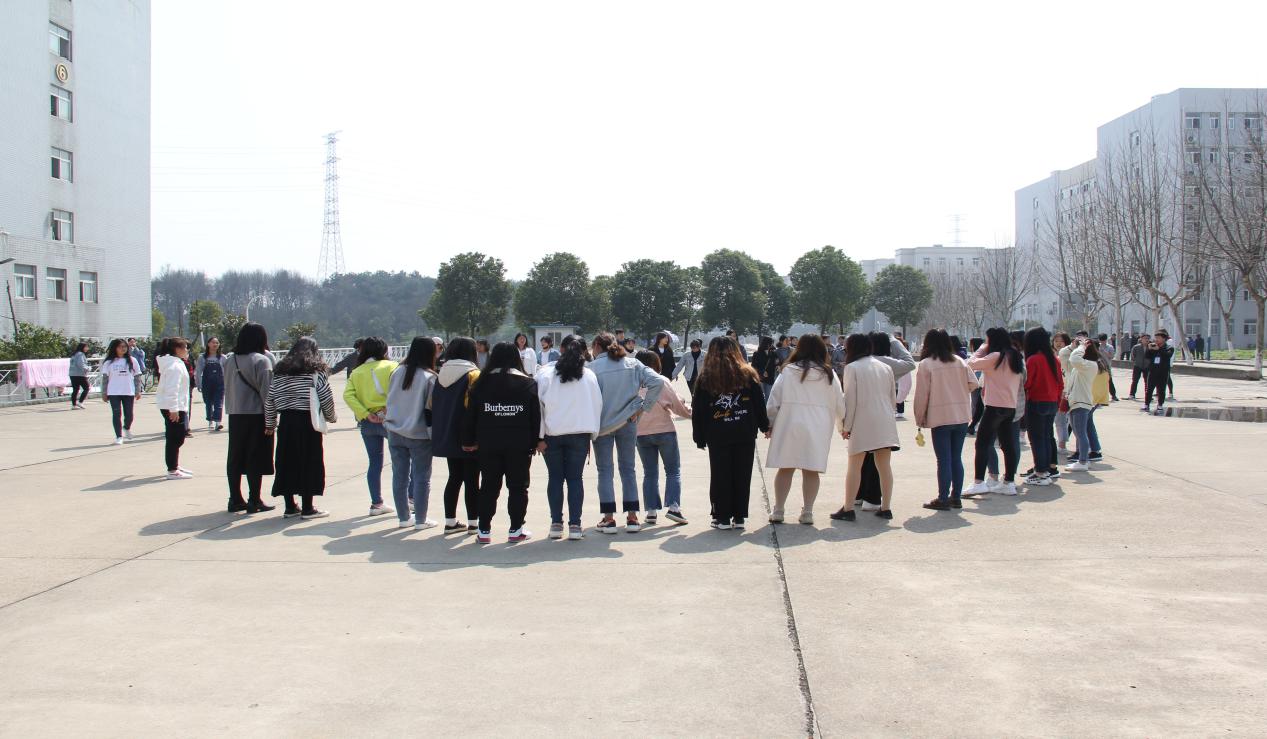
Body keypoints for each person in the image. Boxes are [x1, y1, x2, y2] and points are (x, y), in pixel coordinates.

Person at [461, 342, 541, 544]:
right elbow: (535, 417)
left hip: (488, 444)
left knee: (488, 486)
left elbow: (470, 417)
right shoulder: (528, 383)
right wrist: (535, 442)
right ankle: (516, 529)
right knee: (518, 487)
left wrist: (468, 440)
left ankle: (484, 531)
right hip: (519, 444)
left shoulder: (480, 383)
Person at [765, 334, 846, 524]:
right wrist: (843, 426)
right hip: (818, 426)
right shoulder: (828, 374)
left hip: (789, 423)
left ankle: (778, 510)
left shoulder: (788, 371)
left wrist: (769, 423)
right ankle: (808, 512)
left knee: (785, 468)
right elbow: (839, 404)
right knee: (811, 470)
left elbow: (773, 401)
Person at [589, 332, 665, 533]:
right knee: (628, 469)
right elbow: (658, 382)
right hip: (628, 421)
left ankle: (608, 518)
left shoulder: (592, 368)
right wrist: (643, 407)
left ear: (597, 346)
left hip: (603, 425)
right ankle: (632, 517)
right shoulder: (633, 363)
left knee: (605, 471)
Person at [692, 336, 769, 530]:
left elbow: (698, 410)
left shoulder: (706, 377)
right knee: (742, 473)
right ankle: (739, 516)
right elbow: (759, 404)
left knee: (720, 474)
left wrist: (699, 436)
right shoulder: (748, 374)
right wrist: (764, 425)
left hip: (717, 434)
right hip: (744, 431)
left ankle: (722, 517)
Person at [536, 335, 603, 540]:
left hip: (551, 435)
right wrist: (593, 432)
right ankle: (575, 525)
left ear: (561, 349)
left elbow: (538, 408)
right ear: (583, 351)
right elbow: (597, 404)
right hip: (580, 435)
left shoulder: (545, 373)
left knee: (555, 478)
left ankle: (556, 524)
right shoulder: (588, 375)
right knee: (575, 479)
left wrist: (539, 437)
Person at [264, 337, 336, 518]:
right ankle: (308, 508)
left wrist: (270, 423)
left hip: (286, 422)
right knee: (309, 462)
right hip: (307, 422)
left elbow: (270, 399)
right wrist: (331, 416)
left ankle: (290, 507)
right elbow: (325, 396)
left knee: (286, 463)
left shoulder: (280, 371)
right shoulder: (316, 371)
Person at [829, 333, 899, 520]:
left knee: (854, 465)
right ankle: (886, 508)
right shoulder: (885, 367)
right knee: (884, 466)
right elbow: (893, 398)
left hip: (863, 420)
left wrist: (846, 427)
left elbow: (850, 401)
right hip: (885, 419)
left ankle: (848, 508)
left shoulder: (852, 368)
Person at [914, 329, 979, 510]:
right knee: (956, 458)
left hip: (940, 417)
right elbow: (974, 383)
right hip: (961, 416)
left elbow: (921, 395)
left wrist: (920, 417)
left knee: (943, 460)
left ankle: (943, 498)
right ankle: (955, 497)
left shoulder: (927, 364)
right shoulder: (959, 361)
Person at [384, 337, 439, 530]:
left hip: (394, 430)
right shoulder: (429, 377)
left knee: (399, 476)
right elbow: (432, 410)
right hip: (419, 433)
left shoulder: (397, 371)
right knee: (421, 477)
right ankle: (421, 520)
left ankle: (403, 518)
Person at [633, 350, 692, 526]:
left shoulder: (632, 383)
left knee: (650, 472)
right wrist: (692, 414)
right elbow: (677, 405)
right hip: (665, 431)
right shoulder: (661, 381)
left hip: (640, 433)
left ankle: (651, 511)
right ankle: (673, 507)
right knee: (673, 471)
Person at [963, 328, 1024, 497]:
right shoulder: (1014, 356)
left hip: (994, 406)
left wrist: (982, 348)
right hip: (1010, 407)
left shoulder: (996, 356)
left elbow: (970, 363)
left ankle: (978, 482)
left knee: (982, 443)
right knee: (1008, 445)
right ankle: (1008, 482)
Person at [225, 322, 277, 513]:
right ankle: (254, 499)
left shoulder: (229, 359)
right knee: (255, 457)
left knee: (235, 457)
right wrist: (271, 420)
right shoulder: (261, 361)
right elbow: (268, 394)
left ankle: (235, 499)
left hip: (235, 414)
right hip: (256, 415)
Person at [431, 337, 482, 534]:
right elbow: (475, 409)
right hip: (469, 437)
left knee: (454, 477)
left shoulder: (439, 375)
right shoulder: (473, 375)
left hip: (447, 435)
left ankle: (450, 522)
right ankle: (474, 523)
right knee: (472, 480)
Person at [344, 336, 399, 516]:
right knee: (401, 461)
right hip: (390, 419)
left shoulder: (357, 372)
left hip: (368, 421)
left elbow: (348, 396)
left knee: (374, 463)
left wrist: (365, 413)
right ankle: (408, 500)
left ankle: (376, 503)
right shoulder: (392, 367)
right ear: (384, 350)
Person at [1022, 328, 1063, 486]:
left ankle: (1041, 472)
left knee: (1036, 439)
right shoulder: (1054, 359)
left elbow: (1027, 383)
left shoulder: (1033, 360)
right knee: (1046, 436)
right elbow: (1060, 383)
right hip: (1052, 402)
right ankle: (1045, 469)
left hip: (1037, 402)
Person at [1065, 337, 1107, 471]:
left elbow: (1074, 359)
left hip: (1081, 403)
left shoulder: (1090, 365)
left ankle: (1083, 461)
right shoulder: (1084, 365)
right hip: (1076, 401)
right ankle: (1083, 460)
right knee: (1078, 433)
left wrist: (1082, 346)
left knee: (1081, 433)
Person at [155, 337, 192, 480]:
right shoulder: (174, 366)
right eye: (185, 347)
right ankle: (172, 469)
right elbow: (172, 389)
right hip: (172, 407)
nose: (187, 350)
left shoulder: (176, 363)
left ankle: (174, 465)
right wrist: (174, 409)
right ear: (177, 349)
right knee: (176, 438)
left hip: (175, 405)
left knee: (176, 436)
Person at [101, 339, 143, 444]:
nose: (123, 348)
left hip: (128, 391)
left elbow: (137, 376)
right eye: (120, 347)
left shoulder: (132, 360)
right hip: (113, 392)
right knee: (116, 414)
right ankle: (119, 436)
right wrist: (104, 393)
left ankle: (126, 427)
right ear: (114, 348)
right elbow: (105, 378)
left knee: (129, 415)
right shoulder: (108, 362)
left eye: (124, 346)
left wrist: (138, 390)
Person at [196, 337, 227, 431]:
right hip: (207, 383)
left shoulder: (223, 357)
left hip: (220, 383)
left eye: (217, 343)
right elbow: (198, 371)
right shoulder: (202, 357)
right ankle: (210, 420)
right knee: (208, 403)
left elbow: (226, 372)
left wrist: (227, 384)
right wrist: (199, 384)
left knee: (219, 402)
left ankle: (218, 422)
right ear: (208, 344)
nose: (215, 344)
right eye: (213, 342)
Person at [1142, 329, 1174, 416]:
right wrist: (1149, 349)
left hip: (1163, 372)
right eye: (1156, 337)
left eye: (1158, 338)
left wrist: (1158, 349)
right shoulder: (1153, 346)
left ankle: (1160, 405)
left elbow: (1167, 356)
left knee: (1161, 390)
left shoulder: (1169, 348)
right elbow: (1147, 356)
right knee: (1149, 389)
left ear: (1164, 339)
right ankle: (1146, 405)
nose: (1156, 339)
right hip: (1152, 371)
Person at [966, 337, 985, 435]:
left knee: (975, 404)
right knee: (981, 404)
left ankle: (975, 424)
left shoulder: (976, 355)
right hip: (982, 382)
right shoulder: (987, 354)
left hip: (977, 381)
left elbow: (969, 364)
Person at [68, 342, 90, 409]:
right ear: (82, 347)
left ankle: (74, 405)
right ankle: (80, 402)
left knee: (75, 389)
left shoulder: (74, 354)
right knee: (86, 388)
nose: (87, 348)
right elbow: (81, 364)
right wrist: (88, 368)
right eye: (86, 347)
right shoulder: (80, 354)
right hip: (79, 374)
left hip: (72, 374)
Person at [1128, 333, 1149, 399]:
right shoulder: (1136, 347)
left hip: (1147, 366)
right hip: (1137, 366)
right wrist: (1136, 361)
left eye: (1148, 338)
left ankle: (1148, 394)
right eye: (1145, 338)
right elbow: (1133, 356)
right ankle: (1132, 394)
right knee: (1135, 380)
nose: (1147, 340)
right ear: (1141, 339)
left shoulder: (1150, 347)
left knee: (1147, 381)